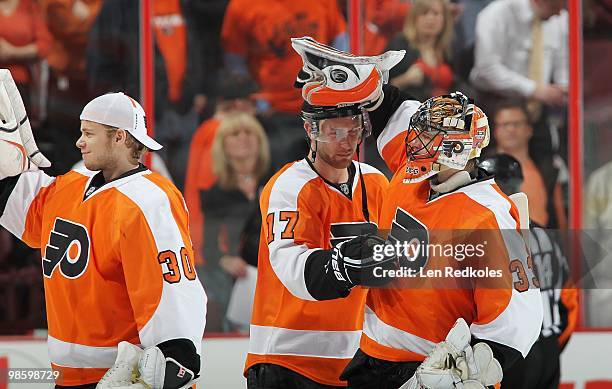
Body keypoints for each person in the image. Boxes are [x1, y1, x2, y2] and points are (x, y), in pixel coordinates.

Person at [292, 37, 543, 388]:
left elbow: (518, 316)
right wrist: (366, 87)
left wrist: (473, 366)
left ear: (457, 149)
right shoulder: (416, 171)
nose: (415, 142)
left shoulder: (489, 217)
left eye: (428, 137)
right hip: (373, 359)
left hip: (431, 370)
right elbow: (393, 114)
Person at [0, 73, 206, 389]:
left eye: (88, 133)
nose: (79, 141)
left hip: (122, 378)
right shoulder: (67, 188)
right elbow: (16, 200)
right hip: (67, 376)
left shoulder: (150, 199)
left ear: (119, 137)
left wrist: (175, 354)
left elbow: (171, 282)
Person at [244, 38, 400, 388]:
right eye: (335, 132)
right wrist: (345, 265)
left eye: (354, 131)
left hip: (354, 362)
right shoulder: (288, 185)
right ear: (310, 130)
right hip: (286, 361)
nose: (347, 142)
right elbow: (291, 266)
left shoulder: (377, 183)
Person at [478, 154, 578, 389]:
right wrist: (552, 341)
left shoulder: (489, 238)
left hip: (512, 354)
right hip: (548, 350)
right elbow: (569, 300)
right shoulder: (547, 236)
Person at [200, 112, 271, 332]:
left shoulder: (277, 182)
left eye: (249, 132)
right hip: (240, 281)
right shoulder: (215, 194)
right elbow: (209, 248)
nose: (243, 137)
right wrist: (226, 261)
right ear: (223, 145)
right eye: (235, 133)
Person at [490, 99, 567, 229]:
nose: (511, 129)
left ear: (529, 129)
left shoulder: (548, 167)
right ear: (495, 131)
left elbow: (560, 217)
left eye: (516, 124)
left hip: (544, 244)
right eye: (504, 124)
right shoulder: (481, 171)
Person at [386, 0, 459, 101]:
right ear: (414, 18)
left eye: (436, 14)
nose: (430, 19)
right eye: (424, 13)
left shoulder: (449, 48)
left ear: (444, 19)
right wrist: (405, 79)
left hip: (449, 112)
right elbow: (381, 87)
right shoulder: (399, 45)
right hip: (412, 111)